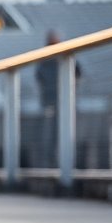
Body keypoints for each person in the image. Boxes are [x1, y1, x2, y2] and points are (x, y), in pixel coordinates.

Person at [35, 31, 81, 166]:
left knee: (64, 133)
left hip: (64, 102)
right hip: (52, 103)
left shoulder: (64, 56)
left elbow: (77, 73)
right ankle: (52, 164)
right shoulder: (45, 59)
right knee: (50, 135)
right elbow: (39, 78)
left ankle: (66, 163)